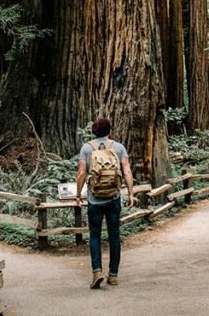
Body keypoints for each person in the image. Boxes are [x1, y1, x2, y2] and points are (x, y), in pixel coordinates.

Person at [75, 116, 135, 289]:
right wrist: (130, 193)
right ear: (109, 130)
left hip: (95, 200)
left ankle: (96, 271)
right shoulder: (118, 147)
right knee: (114, 235)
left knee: (94, 235)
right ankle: (113, 275)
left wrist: (78, 195)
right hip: (113, 198)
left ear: (94, 131)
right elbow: (127, 170)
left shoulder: (87, 148)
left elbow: (81, 173)